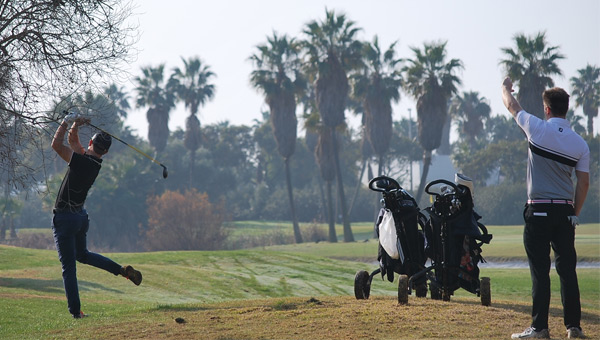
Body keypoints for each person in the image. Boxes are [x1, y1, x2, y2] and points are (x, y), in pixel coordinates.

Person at [502, 77, 590, 339]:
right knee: (567, 270)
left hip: (538, 210)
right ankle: (573, 327)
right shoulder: (580, 144)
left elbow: (511, 106)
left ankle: (540, 328)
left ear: (547, 109)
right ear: (567, 108)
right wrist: (574, 213)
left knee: (540, 271)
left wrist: (505, 87)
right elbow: (583, 183)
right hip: (564, 214)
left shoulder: (537, 128)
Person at [51, 113, 143, 319]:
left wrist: (66, 122)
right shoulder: (91, 162)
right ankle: (121, 270)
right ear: (106, 152)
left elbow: (56, 145)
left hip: (65, 218)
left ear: (91, 142)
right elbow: (73, 142)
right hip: (80, 218)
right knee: (82, 255)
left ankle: (76, 312)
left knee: (68, 268)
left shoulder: (81, 162)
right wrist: (76, 124)